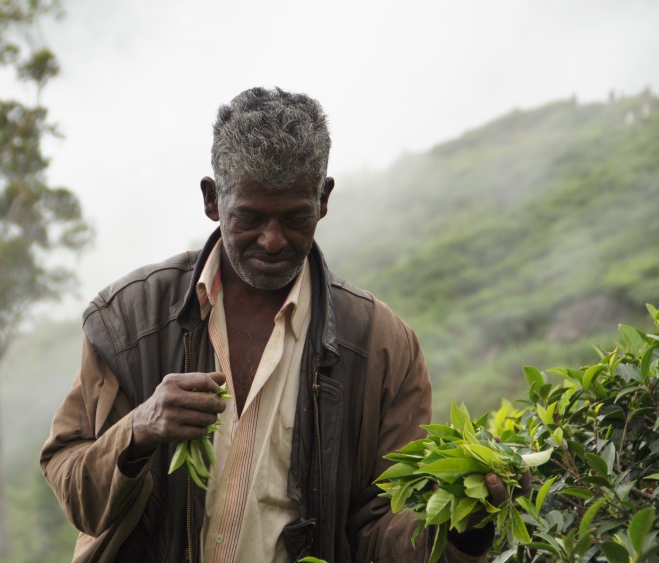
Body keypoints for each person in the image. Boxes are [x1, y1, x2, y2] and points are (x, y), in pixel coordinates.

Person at [41, 87, 505, 562]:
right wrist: (138, 430)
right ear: (211, 200)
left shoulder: (383, 347)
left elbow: (381, 526)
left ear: (323, 200)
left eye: (295, 218)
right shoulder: (129, 319)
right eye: (250, 217)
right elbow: (73, 486)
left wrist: (464, 527)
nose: (272, 241)